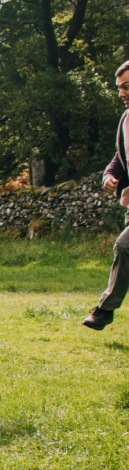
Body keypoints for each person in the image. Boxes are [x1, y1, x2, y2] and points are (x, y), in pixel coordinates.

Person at [83, 60, 129, 330]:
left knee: (125, 246)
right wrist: (109, 176)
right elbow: (120, 158)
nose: (122, 93)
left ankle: (104, 310)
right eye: (120, 88)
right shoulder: (125, 119)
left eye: (127, 87)